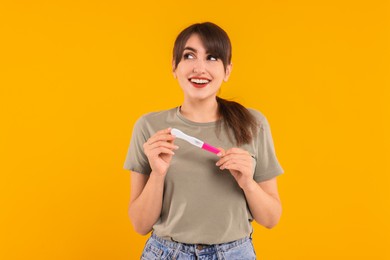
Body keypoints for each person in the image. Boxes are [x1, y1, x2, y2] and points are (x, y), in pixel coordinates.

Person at [124, 22, 284, 260]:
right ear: (174, 66)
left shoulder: (253, 124)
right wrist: (157, 174)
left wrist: (248, 183)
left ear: (227, 70)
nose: (199, 68)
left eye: (212, 58)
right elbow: (140, 225)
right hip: (166, 253)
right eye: (189, 56)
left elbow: (271, 219)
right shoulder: (149, 127)